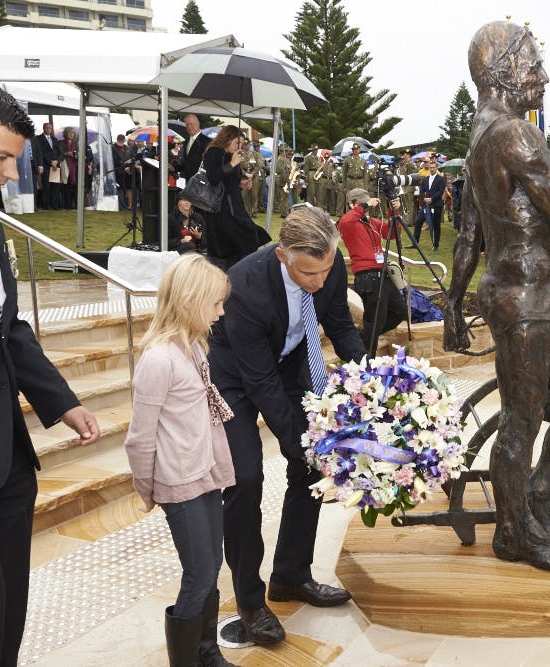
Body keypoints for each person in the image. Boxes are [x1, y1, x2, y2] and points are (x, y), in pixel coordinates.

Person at [442, 21, 550, 571]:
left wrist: (452, 304)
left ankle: (540, 492)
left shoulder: (478, 138)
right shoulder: (516, 134)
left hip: (525, 295)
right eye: (533, 63)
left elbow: (468, 238)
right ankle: (513, 532)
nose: (542, 74)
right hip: (523, 300)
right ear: (502, 72)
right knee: (520, 420)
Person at [0, 78, 100, 667]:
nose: (10, 174)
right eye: (0, 156)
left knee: (10, 612)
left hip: (7, 461)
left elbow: (9, 329)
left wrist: (62, 401)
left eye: (15, 160)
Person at [208, 206, 363, 645]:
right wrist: (302, 441)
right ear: (282, 256)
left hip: (290, 364)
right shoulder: (245, 287)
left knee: (310, 470)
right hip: (235, 377)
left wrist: (372, 379)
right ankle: (250, 601)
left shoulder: (328, 268)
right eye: (308, 274)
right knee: (245, 479)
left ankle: (291, 576)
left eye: (326, 270)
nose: (319, 282)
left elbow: (338, 324)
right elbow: (259, 382)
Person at [123, 254, 236, 667]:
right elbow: (140, 436)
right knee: (200, 571)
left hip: (203, 472)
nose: (221, 313)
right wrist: (146, 487)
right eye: (216, 304)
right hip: (179, 479)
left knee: (212, 563)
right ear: (190, 300)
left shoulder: (192, 348)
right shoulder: (158, 359)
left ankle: (207, 652)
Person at [338, 187, 406, 356]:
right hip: (367, 275)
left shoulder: (371, 222)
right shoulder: (349, 223)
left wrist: (393, 211)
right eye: (361, 204)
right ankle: (368, 359)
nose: (366, 207)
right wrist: (365, 206)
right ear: (351, 204)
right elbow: (345, 221)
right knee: (374, 320)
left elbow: (392, 234)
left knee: (400, 311)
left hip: (381, 273)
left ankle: (365, 335)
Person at [202, 126, 270, 270]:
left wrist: (241, 184)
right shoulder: (213, 153)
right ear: (227, 139)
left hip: (235, 204)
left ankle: (239, 270)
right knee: (236, 239)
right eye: (237, 143)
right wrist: (232, 163)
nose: (240, 147)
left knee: (249, 237)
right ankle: (234, 270)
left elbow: (229, 181)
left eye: (242, 144)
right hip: (221, 208)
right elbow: (214, 178)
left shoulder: (232, 155)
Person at [415, 160, 446, 250]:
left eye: (433, 167)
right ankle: (415, 242)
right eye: (430, 168)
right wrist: (424, 198)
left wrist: (431, 199)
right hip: (426, 205)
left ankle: (435, 245)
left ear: (436, 168)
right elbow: (421, 191)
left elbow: (440, 192)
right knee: (418, 221)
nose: (432, 169)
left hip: (436, 205)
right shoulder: (425, 179)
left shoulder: (441, 179)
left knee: (436, 225)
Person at [181, 114, 211, 181]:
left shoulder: (207, 142)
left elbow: (209, 164)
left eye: (191, 124)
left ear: (198, 124)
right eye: (187, 125)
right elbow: (187, 163)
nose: (189, 127)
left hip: (201, 184)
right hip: (189, 182)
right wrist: (174, 168)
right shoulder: (186, 141)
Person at [112, 134, 136, 211]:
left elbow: (133, 159)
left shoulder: (128, 149)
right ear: (117, 139)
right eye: (119, 139)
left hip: (128, 172)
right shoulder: (112, 148)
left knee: (129, 189)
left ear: (124, 140)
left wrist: (130, 168)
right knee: (119, 188)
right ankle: (121, 205)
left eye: (122, 139)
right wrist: (122, 168)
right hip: (117, 172)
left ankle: (130, 205)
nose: (121, 141)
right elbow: (112, 160)